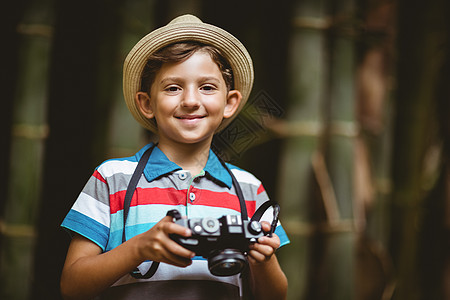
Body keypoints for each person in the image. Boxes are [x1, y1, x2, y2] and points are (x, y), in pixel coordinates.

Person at [60, 14, 289, 300]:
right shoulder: (112, 178)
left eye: (207, 87)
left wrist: (262, 260)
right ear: (147, 103)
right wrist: (140, 248)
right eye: (172, 88)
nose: (191, 101)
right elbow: (72, 286)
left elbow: (275, 296)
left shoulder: (249, 188)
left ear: (230, 103)